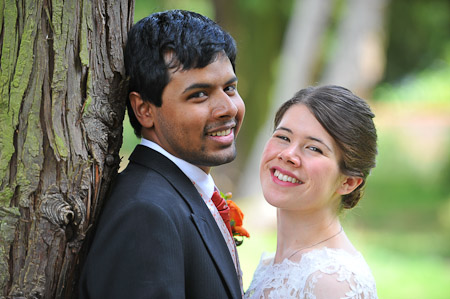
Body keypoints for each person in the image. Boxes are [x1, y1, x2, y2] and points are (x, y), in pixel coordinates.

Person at [79, 10, 245, 298]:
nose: (228, 108)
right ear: (144, 109)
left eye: (229, 88)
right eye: (200, 95)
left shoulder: (180, 193)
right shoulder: (145, 213)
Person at [245, 85, 378, 298]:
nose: (288, 154)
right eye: (284, 137)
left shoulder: (333, 282)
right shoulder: (272, 265)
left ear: (349, 182)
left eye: (314, 148)